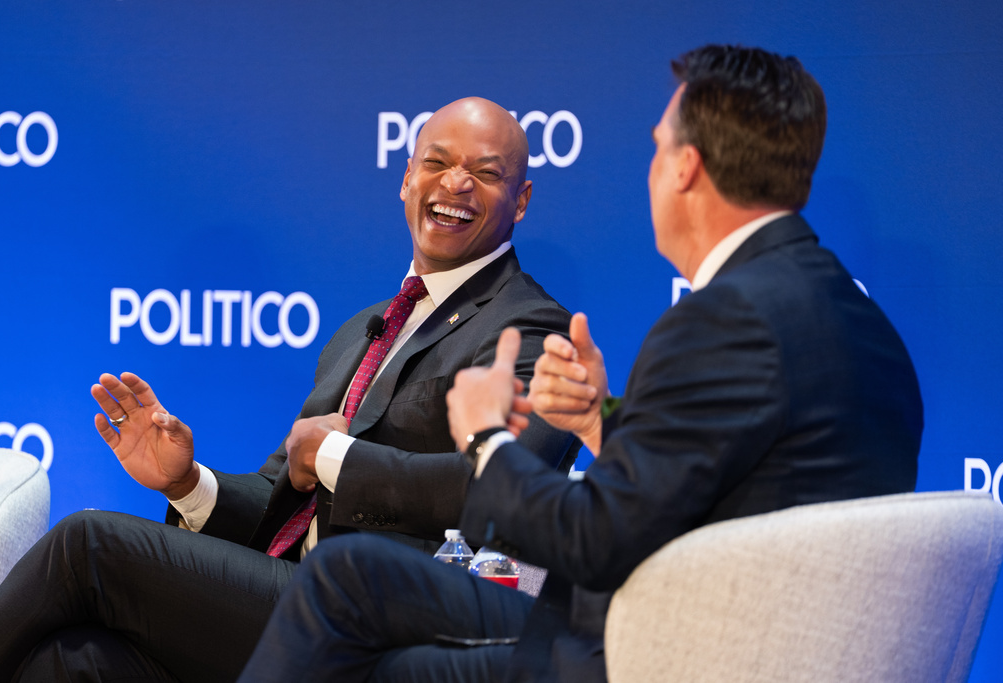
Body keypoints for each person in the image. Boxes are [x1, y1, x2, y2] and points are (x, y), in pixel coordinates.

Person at [236, 44, 924, 683]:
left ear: (685, 167)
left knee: (352, 573)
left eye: (658, 148)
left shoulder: (724, 320)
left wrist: (486, 436)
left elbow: (593, 540)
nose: (652, 169)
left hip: (649, 643)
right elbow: (724, 480)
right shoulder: (864, 327)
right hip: (756, 635)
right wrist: (600, 423)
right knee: (394, 577)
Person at [0, 97, 578, 682]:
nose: (455, 184)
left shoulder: (529, 328)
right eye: (437, 163)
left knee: (90, 545)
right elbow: (282, 497)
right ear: (406, 180)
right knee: (70, 658)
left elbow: (502, 487)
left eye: (485, 172)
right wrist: (189, 484)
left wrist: (336, 456)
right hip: (290, 604)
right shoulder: (361, 331)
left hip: (389, 621)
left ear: (521, 200)